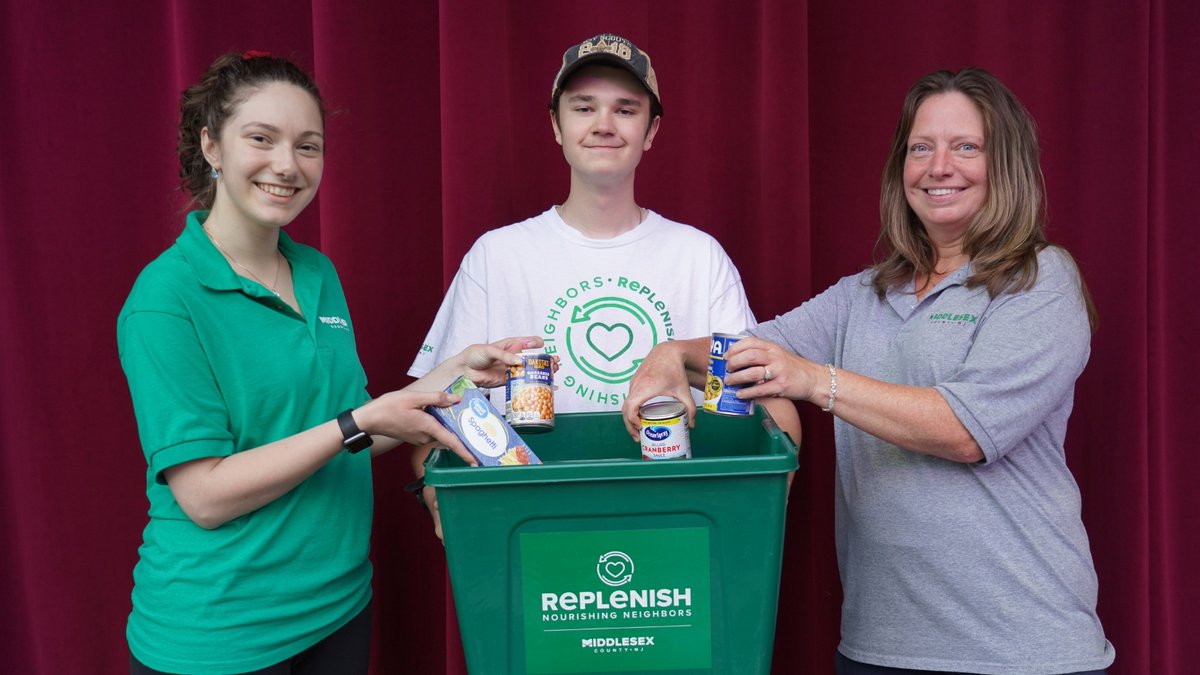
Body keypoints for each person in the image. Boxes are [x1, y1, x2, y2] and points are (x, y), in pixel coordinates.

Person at [623, 68, 1115, 674]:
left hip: (1020, 648)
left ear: (1005, 164)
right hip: (878, 646)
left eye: (966, 146)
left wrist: (812, 380)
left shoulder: (1039, 281)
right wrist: (670, 354)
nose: (940, 166)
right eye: (920, 148)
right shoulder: (863, 295)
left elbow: (964, 431)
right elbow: (746, 351)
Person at [117, 51, 542, 674]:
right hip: (219, 633)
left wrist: (450, 374)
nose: (287, 165)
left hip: (338, 610)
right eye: (261, 139)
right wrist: (358, 421)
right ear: (212, 145)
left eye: (308, 146)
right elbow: (205, 496)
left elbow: (352, 432)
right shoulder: (164, 300)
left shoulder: (316, 274)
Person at [407, 33, 801, 535]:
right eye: (583, 107)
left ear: (651, 130)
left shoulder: (698, 256)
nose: (603, 126)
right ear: (556, 124)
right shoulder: (496, 256)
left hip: (673, 523)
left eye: (626, 109)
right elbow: (428, 417)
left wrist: (760, 497)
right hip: (533, 527)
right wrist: (435, 493)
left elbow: (768, 404)